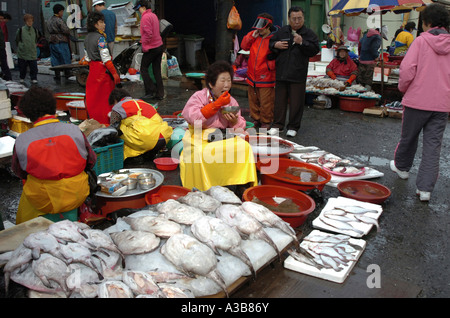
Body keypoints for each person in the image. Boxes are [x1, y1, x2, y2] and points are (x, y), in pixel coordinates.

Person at [390, 3, 450, 202]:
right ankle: (425, 190)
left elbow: (407, 71)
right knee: (433, 146)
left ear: (426, 23)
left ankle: (402, 168)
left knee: (409, 137)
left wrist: (404, 88)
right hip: (442, 104)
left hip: (417, 101)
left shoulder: (421, 42)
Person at [11, 86, 97, 224]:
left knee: (29, 188)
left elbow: (19, 172)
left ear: (27, 113)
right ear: (53, 107)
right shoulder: (74, 130)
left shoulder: (22, 139)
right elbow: (91, 161)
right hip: (76, 194)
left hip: (43, 200)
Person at [180, 60, 258, 193]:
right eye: (222, 81)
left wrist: (234, 122)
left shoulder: (231, 101)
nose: (227, 85)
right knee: (202, 152)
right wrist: (215, 105)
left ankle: (242, 183)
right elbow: (193, 118)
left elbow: (240, 126)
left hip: (221, 135)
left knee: (243, 147)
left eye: (229, 80)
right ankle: (203, 187)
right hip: (198, 135)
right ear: (211, 83)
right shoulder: (199, 97)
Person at [268, 6, 319, 137]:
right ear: (289, 19)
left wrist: (302, 42)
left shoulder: (309, 34)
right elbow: (271, 43)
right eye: (294, 18)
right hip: (281, 72)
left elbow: (314, 50)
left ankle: (293, 126)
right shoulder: (282, 31)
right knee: (279, 101)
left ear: (303, 18)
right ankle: (278, 125)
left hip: (298, 73)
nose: (296, 21)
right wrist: (275, 45)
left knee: (297, 102)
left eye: (299, 18)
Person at [108, 88, 173, 163]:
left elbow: (112, 128)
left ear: (115, 100)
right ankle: (149, 152)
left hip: (146, 140)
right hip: (163, 138)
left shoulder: (118, 107)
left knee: (120, 127)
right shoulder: (143, 102)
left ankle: (134, 156)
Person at [240, 13, 277, 129]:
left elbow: (279, 56)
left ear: (268, 27)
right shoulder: (254, 36)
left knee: (266, 102)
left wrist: (270, 66)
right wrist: (252, 36)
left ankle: (266, 121)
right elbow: (244, 46)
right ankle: (256, 119)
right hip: (252, 75)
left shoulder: (275, 39)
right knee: (253, 100)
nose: (259, 30)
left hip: (266, 76)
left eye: (261, 28)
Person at [84, 11, 120, 125]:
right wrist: (115, 74)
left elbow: (87, 59)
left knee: (93, 100)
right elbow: (106, 59)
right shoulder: (100, 39)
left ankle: (94, 122)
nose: (104, 24)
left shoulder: (87, 38)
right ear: (95, 24)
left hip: (92, 73)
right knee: (105, 101)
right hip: (102, 74)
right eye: (101, 22)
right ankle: (106, 123)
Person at [134, 0, 165, 101]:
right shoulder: (153, 15)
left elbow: (148, 33)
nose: (139, 11)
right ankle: (160, 93)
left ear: (143, 7)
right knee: (157, 71)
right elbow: (154, 31)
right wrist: (142, 40)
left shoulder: (145, 17)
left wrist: (144, 46)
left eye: (139, 9)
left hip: (151, 48)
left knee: (143, 68)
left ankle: (150, 91)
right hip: (159, 46)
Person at [47, 3, 72, 78]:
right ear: (59, 11)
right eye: (62, 12)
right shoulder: (59, 20)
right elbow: (66, 30)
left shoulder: (49, 20)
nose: (62, 13)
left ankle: (57, 74)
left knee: (55, 58)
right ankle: (67, 73)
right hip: (61, 40)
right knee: (64, 57)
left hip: (52, 40)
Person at [15, 14, 40, 84]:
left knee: (34, 67)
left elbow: (36, 39)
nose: (30, 23)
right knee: (22, 67)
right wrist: (20, 47)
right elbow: (17, 40)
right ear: (25, 21)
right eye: (28, 21)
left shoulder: (35, 30)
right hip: (23, 52)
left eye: (31, 21)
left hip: (32, 52)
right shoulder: (20, 30)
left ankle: (33, 78)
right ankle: (22, 77)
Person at [0, 12, 11, 81]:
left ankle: (8, 78)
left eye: (2, 18)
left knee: (4, 63)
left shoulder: (2, 25)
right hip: (1, 47)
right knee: (4, 64)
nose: (1, 20)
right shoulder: (2, 25)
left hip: (2, 47)